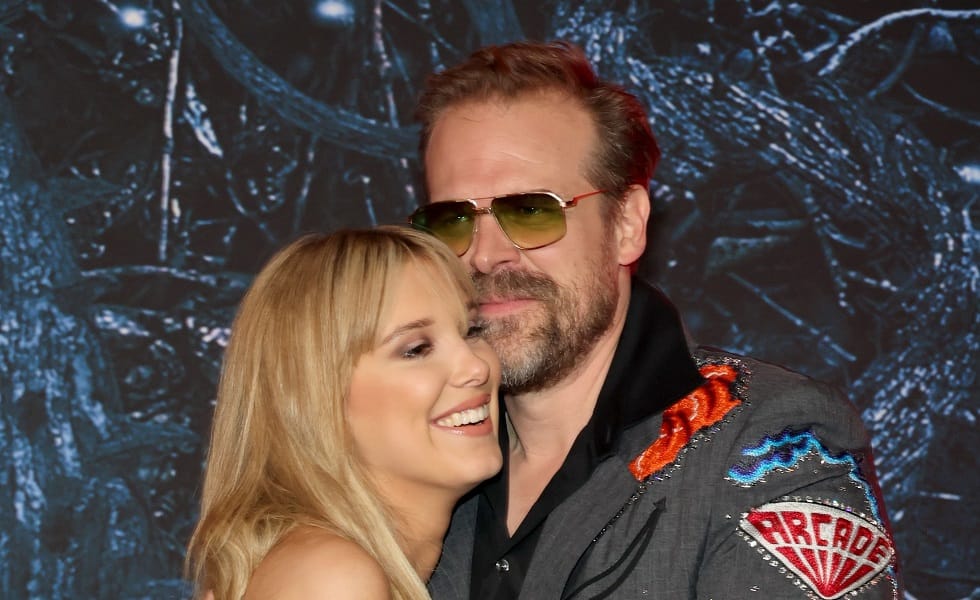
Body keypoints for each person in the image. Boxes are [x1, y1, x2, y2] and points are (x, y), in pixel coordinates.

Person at [409, 41, 901, 599]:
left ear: (626, 226)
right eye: (451, 219)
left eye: (530, 211)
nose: (484, 255)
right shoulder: (401, 445)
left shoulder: (771, 442)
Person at [184, 226, 503, 600]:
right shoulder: (332, 578)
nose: (476, 367)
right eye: (415, 349)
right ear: (313, 397)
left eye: (471, 330)